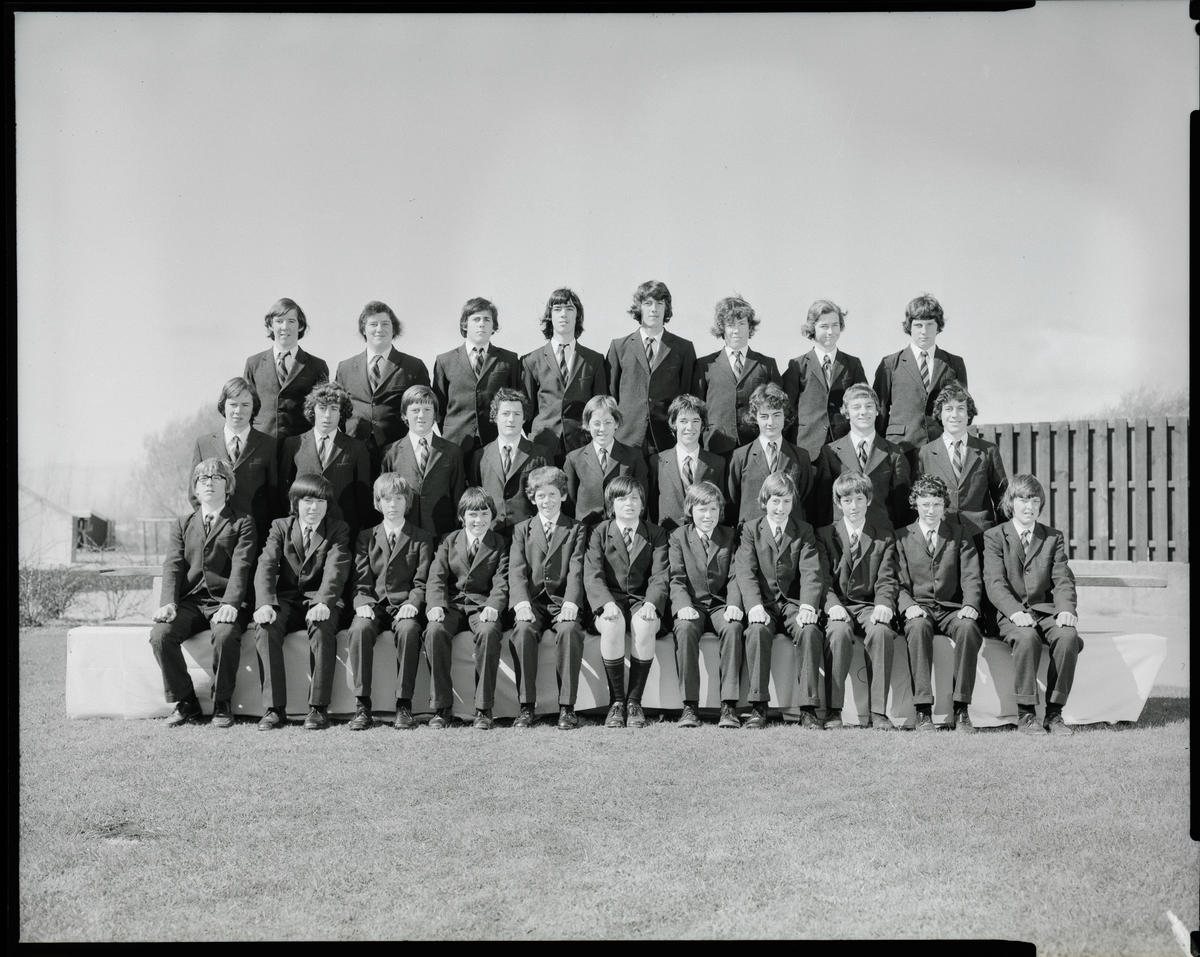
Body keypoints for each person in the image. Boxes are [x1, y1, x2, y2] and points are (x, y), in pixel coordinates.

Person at [150, 458, 257, 728]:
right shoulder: (183, 523)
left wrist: (232, 603)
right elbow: (173, 565)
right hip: (192, 602)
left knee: (224, 633)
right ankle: (186, 701)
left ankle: (222, 703)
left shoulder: (242, 522)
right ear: (195, 489)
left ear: (228, 486)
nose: (209, 483)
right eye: (202, 479)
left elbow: (241, 566)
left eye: (217, 478)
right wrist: (169, 603)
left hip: (228, 601)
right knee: (160, 635)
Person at [251, 472, 351, 731]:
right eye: (307, 501)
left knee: (322, 625)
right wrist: (264, 603)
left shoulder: (337, 529)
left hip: (319, 599)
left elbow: (336, 570)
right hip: (285, 599)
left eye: (320, 501)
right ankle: (274, 709)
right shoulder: (280, 527)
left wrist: (324, 602)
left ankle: (318, 708)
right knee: (265, 627)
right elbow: (267, 564)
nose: (314, 508)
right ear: (295, 503)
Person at [983, 474, 1081, 736]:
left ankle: (1054, 713)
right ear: (1010, 503)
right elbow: (994, 583)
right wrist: (1015, 612)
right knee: (1027, 638)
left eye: (1034, 501)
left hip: (1045, 610)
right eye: (1022, 500)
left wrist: (1066, 610)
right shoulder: (994, 537)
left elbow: (1062, 580)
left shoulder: (1052, 538)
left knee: (1068, 636)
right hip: (1009, 613)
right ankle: (1026, 714)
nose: (1029, 507)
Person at [732, 471, 825, 730]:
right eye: (775, 501)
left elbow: (811, 571)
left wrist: (808, 605)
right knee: (757, 631)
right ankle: (758, 707)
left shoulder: (803, 530)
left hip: (792, 602)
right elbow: (745, 571)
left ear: (792, 503)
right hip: (763, 602)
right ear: (764, 502)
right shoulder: (751, 530)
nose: (780, 508)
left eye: (785, 501)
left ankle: (807, 708)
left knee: (810, 631)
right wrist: (753, 606)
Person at [894, 475, 984, 732]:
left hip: (950, 608)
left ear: (944, 505)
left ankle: (961, 707)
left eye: (936, 504)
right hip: (919, 606)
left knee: (968, 628)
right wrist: (907, 605)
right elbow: (896, 581)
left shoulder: (959, 534)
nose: (931, 510)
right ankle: (922, 710)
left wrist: (970, 605)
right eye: (925, 505)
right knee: (918, 627)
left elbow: (971, 575)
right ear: (916, 505)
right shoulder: (902, 536)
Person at [346, 474, 434, 731]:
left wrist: (413, 603)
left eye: (398, 499)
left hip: (404, 603)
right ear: (378, 503)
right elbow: (361, 580)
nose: (393, 505)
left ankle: (403, 705)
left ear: (407, 503)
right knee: (359, 628)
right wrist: (362, 601)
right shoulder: (366, 537)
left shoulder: (421, 537)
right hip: (374, 603)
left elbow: (422, 581)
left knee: (409, 630)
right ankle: (362, 705)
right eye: (387, 499)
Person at [583, 476, 669, 729]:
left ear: (643, 504)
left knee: (644, 624)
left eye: (635, 498)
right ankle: (617, 702)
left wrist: (652, 603)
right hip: (609, 598)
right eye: (622, 499)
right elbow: (592, 574)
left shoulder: (656, 533)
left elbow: (660, 575)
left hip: (642, 600)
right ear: (612, 505)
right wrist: (605, 603)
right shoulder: (599, 532)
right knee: (611, 623)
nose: (629, 504)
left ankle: (634, 702)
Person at [507, 466, 589, 730]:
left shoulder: (576, 529)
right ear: (532, 498)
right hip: (533, 602)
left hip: (562, 601)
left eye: (553, 495)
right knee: (521, 632)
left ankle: (567, 707)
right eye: (541, 496)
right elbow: (517, 570)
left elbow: (577, 568)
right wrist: (520, 603)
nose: (547, 501)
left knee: (569, 631)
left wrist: (571, 602)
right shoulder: (522, 529)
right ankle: (526, 706)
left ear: (563, 496)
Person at [817, 472, 900, 730]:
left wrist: (884, 604)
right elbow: (820, 580)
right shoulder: (825, 534)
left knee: (882, 632)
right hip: (838, 605)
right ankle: (833, 710)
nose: (853, 506)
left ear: (869, 500)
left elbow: (887, 578)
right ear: (838, 503)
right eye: (847, 500)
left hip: (868, 606)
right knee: (839, 633)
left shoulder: (884, 536)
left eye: (859, 499)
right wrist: (833, 607)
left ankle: (878, 711)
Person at [424, 487, 510, 730]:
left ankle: (484, 708)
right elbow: (436, 577)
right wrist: (436, 605)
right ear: (462, 516)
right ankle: (441, 708)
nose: (479, 520)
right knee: (434, 631)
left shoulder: (500, 543)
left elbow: (502, 580)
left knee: (489, 632)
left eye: (484, 514)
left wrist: (494, 606)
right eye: (473, 514)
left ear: (492, 516)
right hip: (452, 604)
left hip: (481, 605)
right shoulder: (448, 541)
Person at [668, 481, 745, 729]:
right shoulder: (679, 536)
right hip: (693, 604)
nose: (708, 515)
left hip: (721, 604)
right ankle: (689, 706)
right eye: (702, 509)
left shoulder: (730, 535)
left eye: (713, 509)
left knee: (733, 628)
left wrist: (734, 603)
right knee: (685, 627)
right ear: (690, 510)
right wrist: (682, 605)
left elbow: (735, 575)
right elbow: (676, 577)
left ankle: (729, 706)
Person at [872, 292, 968, 472]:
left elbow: (964, 408)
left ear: (938, 326)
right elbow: (879, 411)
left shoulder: (953, 363)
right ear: (909, 327)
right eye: (918, 325)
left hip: (941, 447)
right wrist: (879, 451)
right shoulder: (890, 363)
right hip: (900, 448)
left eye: (930, 325)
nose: (924, 331)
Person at [334, 300, 431, 473]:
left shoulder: (413, 366)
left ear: (394, 329)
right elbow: (339, 410)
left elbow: (426, 407)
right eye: (373, 324)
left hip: (398, 450)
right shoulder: (345, 367)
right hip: (355, 449)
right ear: (364, 329)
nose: (379, 329)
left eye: (385, 324)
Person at [605, 279, 697, 458]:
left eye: (659, 303)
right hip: (627, 438)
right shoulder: (619, 347)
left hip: (666, 439)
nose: (654, 309)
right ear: (639, 307)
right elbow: (610, 396)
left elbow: (688, 395)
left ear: (666, 308)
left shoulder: (683, 348)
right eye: (648, 303)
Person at [521, 287, 608, 464]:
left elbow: (600, 406)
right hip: (542, 444)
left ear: (577, 316)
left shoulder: (594, 360)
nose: (563, 314)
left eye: (570, 309)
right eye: (557, 309)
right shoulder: (530, 360)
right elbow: (525, 410)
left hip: (582, 444)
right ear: (549, 316)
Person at [280, 381, 372, 549]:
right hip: (303, 533)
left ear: (342, 413)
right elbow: (285, 493)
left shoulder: (357, 448)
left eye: (334, 409)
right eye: (322, 408)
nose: (327, 415)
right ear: (312, 410)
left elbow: (363, 498)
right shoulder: (293, 444)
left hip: (343, 534)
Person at [432, 296, 522, 463]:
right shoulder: (445, 361)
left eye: (487, 319)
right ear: (465, 324)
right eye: (476, 319)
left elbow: (516, 398)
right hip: (456, 441)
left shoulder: (508, 360)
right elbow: (439, 407)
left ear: (494, 325)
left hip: (494, 439)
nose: (482, 323)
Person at [190, 376, 278, 545]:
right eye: (233, 404)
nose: (238, 411)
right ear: (223, 405)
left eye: (245, 405)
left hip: (255, 537)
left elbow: (274, 496)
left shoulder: (269, 445)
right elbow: (194, 492)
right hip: (214, 536)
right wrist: (214, 523)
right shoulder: (204, 444)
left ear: (254, 408)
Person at [691, 295, 782, 459]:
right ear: (722, 328)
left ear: (750, 327)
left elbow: (778, 407)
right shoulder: (705, 365)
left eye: (742, 324)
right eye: (730, 325)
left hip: (756, 446)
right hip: (716, 447)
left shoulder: (766, 364)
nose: (736, 330)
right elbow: (697, 409)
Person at [812, 383, 911, 532]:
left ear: (877, 411)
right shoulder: (830, 452)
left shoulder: (894, 453)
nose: (863, 412)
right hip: (841, 536)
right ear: (846, 412)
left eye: (869, 406)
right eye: (856, 407)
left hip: (881, 536)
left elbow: (901, 506)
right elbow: (822, 504)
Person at [917, 382, 1008, 541]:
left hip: (981, 535)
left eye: (961, 409)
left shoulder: (988, 451)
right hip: (941, 536)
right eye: (948, 409)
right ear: (939, 414)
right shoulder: (925, 453)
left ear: (969, 414)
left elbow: (1003, 499)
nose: (955, 415)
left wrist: (1001, 536)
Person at [781, 299, 868, 461]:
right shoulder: (797, 366)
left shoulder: (852, 364)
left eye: (835, 325)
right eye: (824, 326)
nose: (830, 331)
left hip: (843, 447)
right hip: (807, 448)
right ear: (812, 328)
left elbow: (864, 404)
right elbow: (787, 411)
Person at [379, 385, 466, 539]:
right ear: (404, 414)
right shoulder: (390, 453)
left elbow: (458, 497)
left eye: (427, 410)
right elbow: (384, 497)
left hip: (442, 535)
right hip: (404, 535)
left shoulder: (452, 452)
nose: (421, 415)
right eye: (415, 410)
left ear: (435, 415)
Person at [468, 388, 555, 537]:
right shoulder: (480, 456)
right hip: (492, 535)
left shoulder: (541, 454)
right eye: (505, 413)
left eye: (517, 414)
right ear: (495, 417)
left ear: (524, 418)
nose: (511, 419)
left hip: (530, 535)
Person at [727, 382, 813, 530]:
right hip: (752, 537)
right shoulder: (740, 456)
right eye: (764, 416)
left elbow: (804, 496)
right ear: (755, 417)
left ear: (785, 415)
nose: (771, 422)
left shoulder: (800, 456)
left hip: (789, 536)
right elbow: (733, 499)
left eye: (776, 415)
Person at [243, 297, 329, 443]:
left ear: (300, 326)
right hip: (261, 445)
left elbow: (322, 411)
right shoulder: (254, 364)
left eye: (291, 321)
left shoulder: (317, 366)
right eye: (279, 321)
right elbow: (246, 406)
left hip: (301, 447)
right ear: (270, 325)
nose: (285, 327)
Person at [563, 394, 648, 527]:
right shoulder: (574, 459)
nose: (602, 429)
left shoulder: (633, 456)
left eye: (608, 422)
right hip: (587, 532)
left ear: (616, 423)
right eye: (596, 423)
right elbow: (569, 501)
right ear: (587, 425)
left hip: (623, 529)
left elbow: (643, 497)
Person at [647, 394, 726, 533]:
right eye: (683, 421)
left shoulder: (717, 463)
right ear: (673, 423)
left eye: (695, 421)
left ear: (702, 424)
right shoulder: (657, 462)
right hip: (668, 538)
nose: (690, 427)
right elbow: (652, 503)